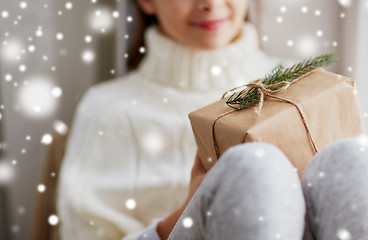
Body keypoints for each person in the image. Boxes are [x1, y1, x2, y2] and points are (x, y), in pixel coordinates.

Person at [57, 0, 368, 239]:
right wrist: (187, 212)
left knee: (351, 158)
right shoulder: (107, 109)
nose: (209, 2)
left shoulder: (306, 84)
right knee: (254, 166)